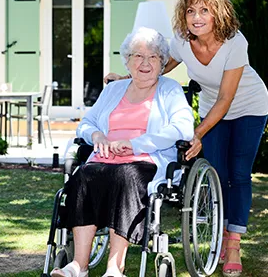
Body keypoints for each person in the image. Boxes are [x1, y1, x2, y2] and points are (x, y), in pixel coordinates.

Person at [105, 0, 268, 277]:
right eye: (191, 10)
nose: (197, 17)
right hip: (212, 109)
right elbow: (161, 66)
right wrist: (126, 77)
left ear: (217, 13)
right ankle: (220, 232)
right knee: (218, 174)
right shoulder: (182, 40)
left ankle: (233, 244)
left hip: (248, 108)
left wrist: (198, 133)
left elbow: (226, 98)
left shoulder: (234, 42)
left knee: (239, 174)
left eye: (204, 10)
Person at [51, 27, 194, 277]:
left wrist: (135, 144)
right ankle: (78, 265)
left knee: (126, 176)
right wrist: (97, 136)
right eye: (138, 56)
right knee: (83, 176)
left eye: (153, 57)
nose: (145, 63)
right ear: (127, 61)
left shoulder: (169, 90)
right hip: (103, 159)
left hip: (145, 161)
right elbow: (87, 123)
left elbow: (183, 128)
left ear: (162, 62)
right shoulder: (113, 90)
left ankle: (115, 268)